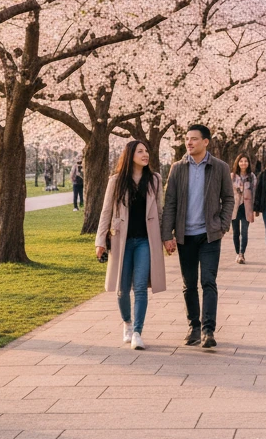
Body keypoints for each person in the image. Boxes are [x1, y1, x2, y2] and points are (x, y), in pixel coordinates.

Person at [161, 124, 235, 349]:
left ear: (205, 142)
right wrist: (167, 234)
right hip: (185, 235)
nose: (189, 142)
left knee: (208, 281)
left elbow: (228, 198)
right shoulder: (177, 168)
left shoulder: (220, 167)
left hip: (209, 235)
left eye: (194, 139)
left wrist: (222, 225)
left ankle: (208, 330)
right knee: (189, 283)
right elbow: (170, 202)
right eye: (187, 139)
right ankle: (194, 326)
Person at [95, 139, 166, 351]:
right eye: (140, 151)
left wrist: (166, 237)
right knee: (122, 288)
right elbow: (106, 212)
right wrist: (100, 241)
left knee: (141, 287)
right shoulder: (116, 181)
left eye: (146, 151)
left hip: (145, 240)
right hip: (121, 240)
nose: (145, 154)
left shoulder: (154, 179)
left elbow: (159, 211)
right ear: (130, 156)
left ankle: (137, 332)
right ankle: (127, 322)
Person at [231, 152, 257, 263]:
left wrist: (255, 208)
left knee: (244, 232)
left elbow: (255, 192)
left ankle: (242, 254)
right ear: (237, 163)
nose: (243, 163)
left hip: (247, 207)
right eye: (241, 161)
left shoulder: (252, 177)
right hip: (235, 207)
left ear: (248, 163)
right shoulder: (232, 176)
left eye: (245, 161)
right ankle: (237, 253)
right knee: (235, 232)